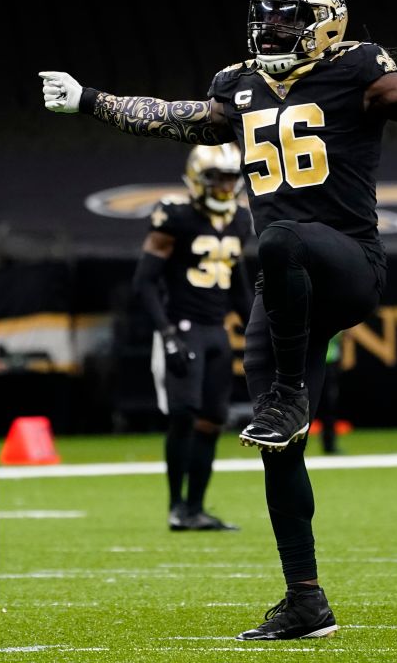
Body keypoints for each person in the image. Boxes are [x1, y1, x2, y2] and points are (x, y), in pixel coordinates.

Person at [39, 0, 397, 640]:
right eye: (265, 14)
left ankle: (291, 393)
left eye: (286, 15)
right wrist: (88, 98)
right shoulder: (237, 86)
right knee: (279, 448)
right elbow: (174, 119)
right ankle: (305, 598)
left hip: (349, 262)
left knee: (282, 238)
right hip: (284, 285)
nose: (270, 27)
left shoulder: (358, 70)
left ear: (326, 21)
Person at [131, 143, 252, 532]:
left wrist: (256, 331)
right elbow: (144, 283)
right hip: (182, 328)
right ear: (199, 179)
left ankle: (196, 508)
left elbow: (239, 287)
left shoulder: (238, 221)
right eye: (217, 179)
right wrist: (166, 333)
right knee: (182, 417)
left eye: (231, 179)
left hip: (217, 332)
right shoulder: (175, 216)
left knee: (212, 420)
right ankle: (176, 507)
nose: (224, 187)